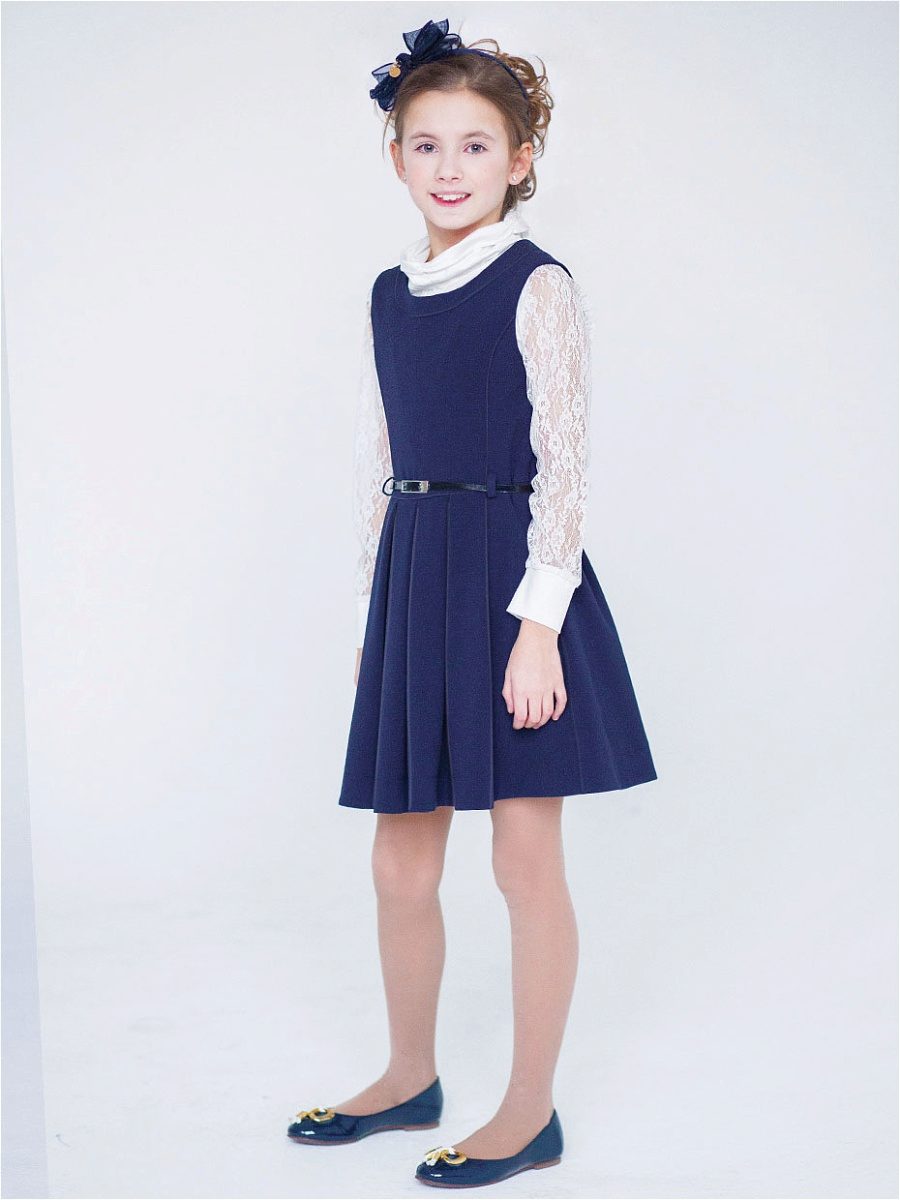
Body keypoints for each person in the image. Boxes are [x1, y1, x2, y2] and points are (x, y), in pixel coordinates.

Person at [288, 17, 658, 1189]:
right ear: (397, 155)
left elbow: (567, 466)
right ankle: (410, 1075)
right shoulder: (389, 294)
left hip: (510, 579)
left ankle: (531, 1111)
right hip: (416, 574)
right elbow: (379, 458)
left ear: (521, 157)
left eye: (477, 145)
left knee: (522, 860)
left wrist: (538, 626)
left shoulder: (535, 283)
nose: (450, 168)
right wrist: (375, 613)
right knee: (400, 861)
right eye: (427, 144)